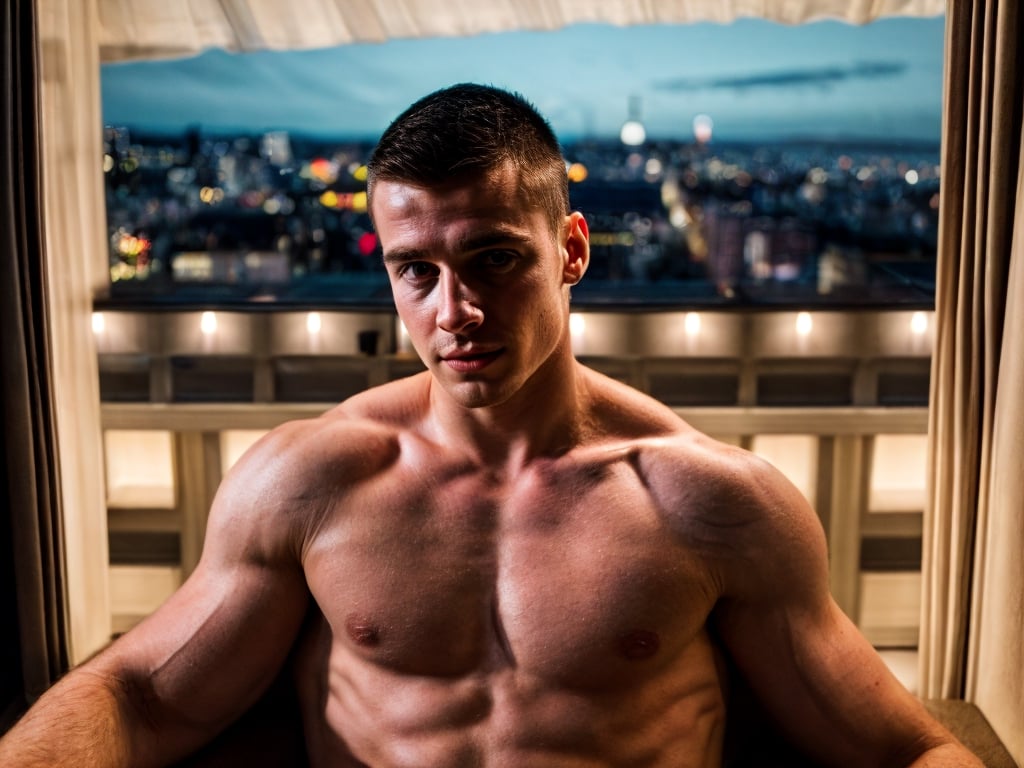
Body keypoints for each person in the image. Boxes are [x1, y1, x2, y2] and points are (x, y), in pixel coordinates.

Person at [0, 83, 981, 768]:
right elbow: (135, 697)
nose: (451, 310)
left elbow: (911, 747)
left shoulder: (709, 504)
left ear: (572, 251)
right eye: (414, 269)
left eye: (494, 260)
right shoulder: (311, 482)